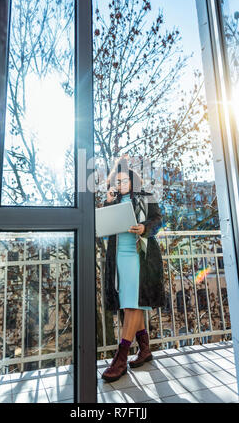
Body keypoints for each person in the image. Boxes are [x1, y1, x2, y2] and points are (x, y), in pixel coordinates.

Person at [101, 156, 166, 382]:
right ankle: (145, 349)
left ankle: (121, 358)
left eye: (124, 181)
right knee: (131, 302)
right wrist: (107, 203)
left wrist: (144, 227)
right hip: (119, 256)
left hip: (140, 255)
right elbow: (103, 225)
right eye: (116, 182)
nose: (120, 185)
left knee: (132, 304)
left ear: (132, 180)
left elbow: (159, 220)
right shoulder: (113, 199)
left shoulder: (146, 197)